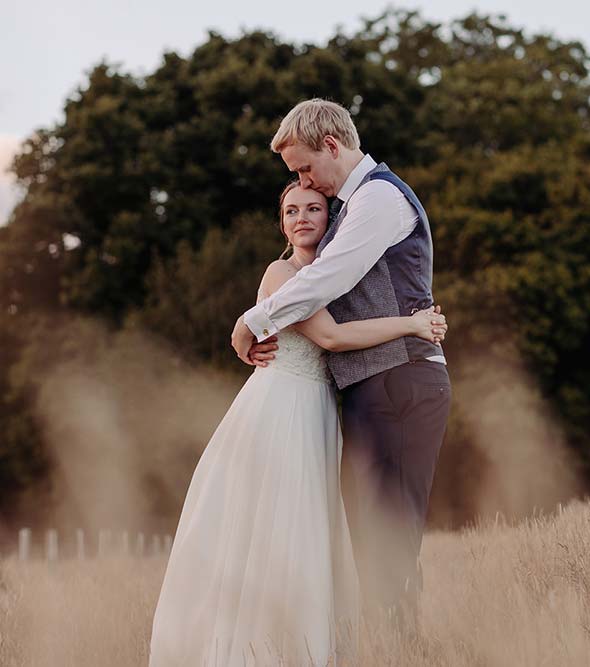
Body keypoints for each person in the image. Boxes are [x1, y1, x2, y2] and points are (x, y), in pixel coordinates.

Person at [149, 181, 447, 666]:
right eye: (291, 211)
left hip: (321, 412)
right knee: (273, 525)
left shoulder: (337, 275)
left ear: (332, 219)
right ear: (282, 223)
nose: (303, 217)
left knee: (313, 532)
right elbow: (330, 337)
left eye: (314, 208)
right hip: (281, 409)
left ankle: (307, 646)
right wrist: (412, 324)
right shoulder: (280, 272)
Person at [230, 98, 452, 623]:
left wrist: (253, 320)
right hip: (370, 384)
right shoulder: (349, 205)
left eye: (305, 167)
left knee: (389, 534)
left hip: (401, 378)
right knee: (373, 535)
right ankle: (396, 646)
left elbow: (329, 279)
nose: (305, 180)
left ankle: (403, 649)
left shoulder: (378, 199)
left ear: (332, 146)